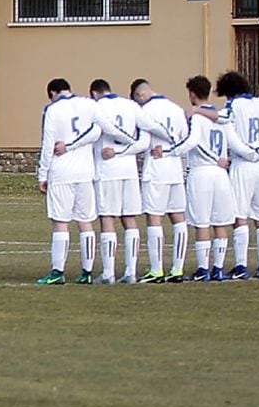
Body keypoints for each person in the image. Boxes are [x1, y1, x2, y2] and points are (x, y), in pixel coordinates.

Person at [193, 71, 259, 280]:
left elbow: (225, 123)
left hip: (243, 164)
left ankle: (242, 265)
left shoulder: (233, 107)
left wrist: (198, 111)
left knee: (240, 216)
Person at [87, 79, 170, 284]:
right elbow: (147, 135)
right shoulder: (131, 106)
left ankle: (108, 273)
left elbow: (93, 135)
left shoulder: (96, 107)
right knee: (130, 219)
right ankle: (130, 271)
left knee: (107, 218)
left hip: (107, 170)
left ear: (94, 93)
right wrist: (172, 137)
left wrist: (115, 151)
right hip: (129, 170)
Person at [173, 76, 252, 282]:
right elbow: (235, 143)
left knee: (202, 223)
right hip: (221, 175)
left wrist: (169, 151)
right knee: (220, 222)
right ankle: (217, 268)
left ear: (192, 94)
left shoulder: (198, 117)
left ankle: (202, 269)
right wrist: (255, 154)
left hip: (201, 173)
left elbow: (192, 141)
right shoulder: (220, 117)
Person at [35, 78, 102, 285]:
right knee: (85, 221)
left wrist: (42, 174)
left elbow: (48, 144)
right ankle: (87, 272)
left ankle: (57, 272)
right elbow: (98, 131)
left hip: (62, 171)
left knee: (61, 222)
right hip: (85, 172)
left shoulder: (53, 110)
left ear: (53, 93)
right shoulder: (88, 104)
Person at [130, 79, 188, 283]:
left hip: (155, 169)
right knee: (178, 218)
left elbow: (144, 142)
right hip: (175, 170)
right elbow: (184, 140)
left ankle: (156, 270)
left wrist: (122, 151)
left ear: (140, 96)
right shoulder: (177, 109)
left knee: (154, 218)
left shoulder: (146, 112)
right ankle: (178, 269)